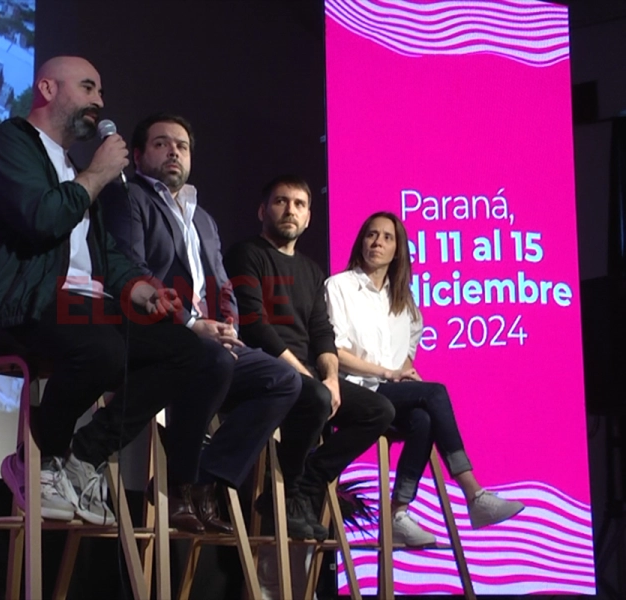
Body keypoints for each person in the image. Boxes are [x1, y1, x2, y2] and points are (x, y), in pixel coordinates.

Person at [0, 57, 224, 527]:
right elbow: (40, 219)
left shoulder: (71, 166)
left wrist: (139, 288)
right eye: (87, 88)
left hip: (81, 305)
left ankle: (83, 458)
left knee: (187, 350)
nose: (99, 101)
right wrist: (97, 175)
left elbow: (103, 252)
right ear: (47, 89)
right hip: (17, 301)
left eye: (100, 92)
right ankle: (37, 457)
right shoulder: (9, 144)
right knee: (101, 346)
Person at [102, 113, 308, 536]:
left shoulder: (203, 217)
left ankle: (206, 479)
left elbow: (224, 284)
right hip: (151, 334)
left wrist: (229, 324)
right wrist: (192, 323)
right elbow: (134, 272)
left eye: (181, 146)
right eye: (161, 143)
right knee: (213, 360)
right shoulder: (128, 198)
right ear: (138, 155)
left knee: (284, 380)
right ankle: (181, 484)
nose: (173, 151)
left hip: (207, 340)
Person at [325, 211, 525, 546]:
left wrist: (403, 375)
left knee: (423, 417)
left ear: (398, 250)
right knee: (435, 393)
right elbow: (335, 352)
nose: (377, 242)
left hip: (388, 393)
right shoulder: (340, 286)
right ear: (361, 241)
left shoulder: (405, 304)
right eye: (371, 234)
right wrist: (387, 373)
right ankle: (473, 493)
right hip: (352, 390)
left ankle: (398, 513)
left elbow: (404, 359)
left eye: (387, 237)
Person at [223, 175, 395, 530]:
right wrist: (306, 376)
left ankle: (308, 482)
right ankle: (287, 495)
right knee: (315, 397)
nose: (290, 210)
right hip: (266, 371)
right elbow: (255, 325)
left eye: (299, 204)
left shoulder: (311, 271)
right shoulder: (246, 254)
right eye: (281, 202)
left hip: (309, 376)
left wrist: (331, 377)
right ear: (262, 211)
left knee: (379, 410)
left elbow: (322, 333)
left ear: (308, 218)